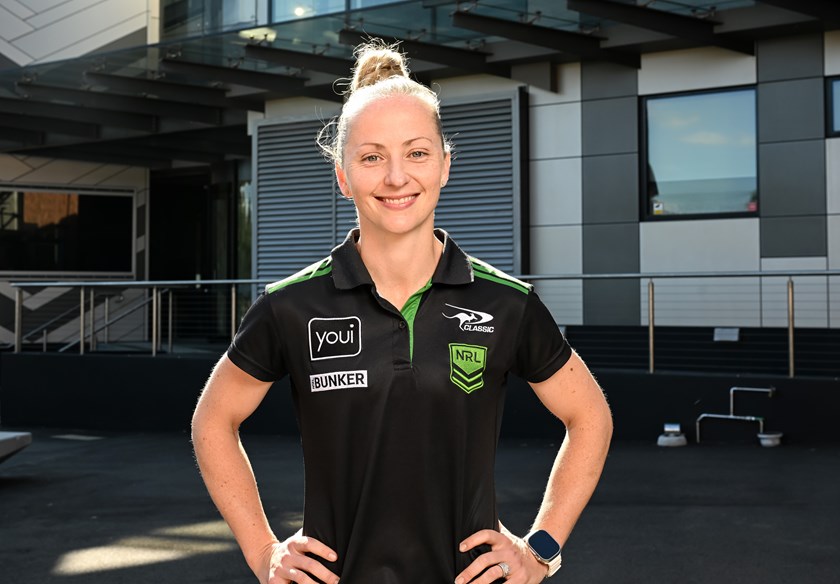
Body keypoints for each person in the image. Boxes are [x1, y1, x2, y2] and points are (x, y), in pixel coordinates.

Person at [191, 40, 613, 584]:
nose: (396, 178)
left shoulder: (506, 302)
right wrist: (263, 550)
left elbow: (591, 417)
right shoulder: (290, 305)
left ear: (444, 166)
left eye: (417, 153)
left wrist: (541, 549)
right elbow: (212, 421)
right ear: (343, 176)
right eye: (372, 157)